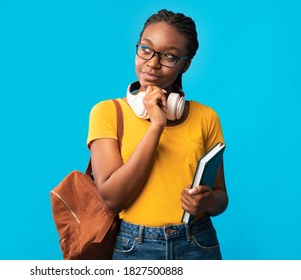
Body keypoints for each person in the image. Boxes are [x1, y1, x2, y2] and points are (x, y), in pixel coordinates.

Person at [87, 9, 228, 260]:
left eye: (169, 56)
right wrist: (156, 126)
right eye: (146, 49)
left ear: (185, 64)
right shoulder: (107, 113)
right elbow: (112, 198)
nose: (152, 62)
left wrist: (205, 203)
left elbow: (220, 198)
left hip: (197, 243)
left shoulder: (207, 118)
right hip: (134, 246)